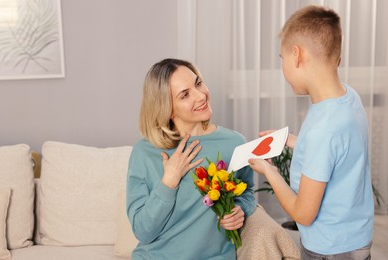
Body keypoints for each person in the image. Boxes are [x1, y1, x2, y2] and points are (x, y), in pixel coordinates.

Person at [248, 5, 374, 259]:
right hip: (355, 237)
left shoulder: (323, 130)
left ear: (297, 55)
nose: (283, 69)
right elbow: (340, 150)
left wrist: (269, 172)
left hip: (330, 248)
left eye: (282, 59)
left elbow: (304, 213)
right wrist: (292, 140)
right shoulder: (347, 97)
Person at [126, 58, 256, 259]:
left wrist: (239, 209)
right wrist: (169, 182)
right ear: (167, 108)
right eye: (185, 95)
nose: (201, 95)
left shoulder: (235, 143)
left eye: (198, 83)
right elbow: (143, 231)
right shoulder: (145, 153)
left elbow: (247, 191)